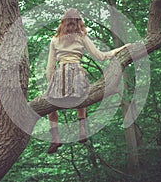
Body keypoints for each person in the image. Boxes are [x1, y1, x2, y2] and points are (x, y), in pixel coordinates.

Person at [45, 8, 131, 154]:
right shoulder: (82, 37)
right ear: (79, 21)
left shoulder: (54, 40)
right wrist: (121, 48)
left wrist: (50, 83)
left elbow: (49, 66)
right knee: (81, 98)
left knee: (50, 106)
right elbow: (101, 56)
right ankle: (82, 130)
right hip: (77, 71)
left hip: (60, 73)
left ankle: (55, 138)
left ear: (63, 22)